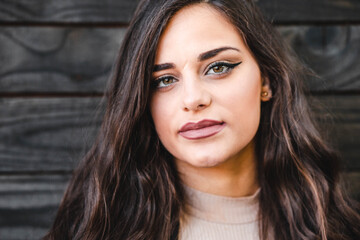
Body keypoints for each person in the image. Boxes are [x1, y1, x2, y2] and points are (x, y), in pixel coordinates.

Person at [44, 0, 360, 239]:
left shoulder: (334, 225)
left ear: (267, 81)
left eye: (218, 67)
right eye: (163, 81)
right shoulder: (99, 230)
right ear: (141, 102)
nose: (193, 99)